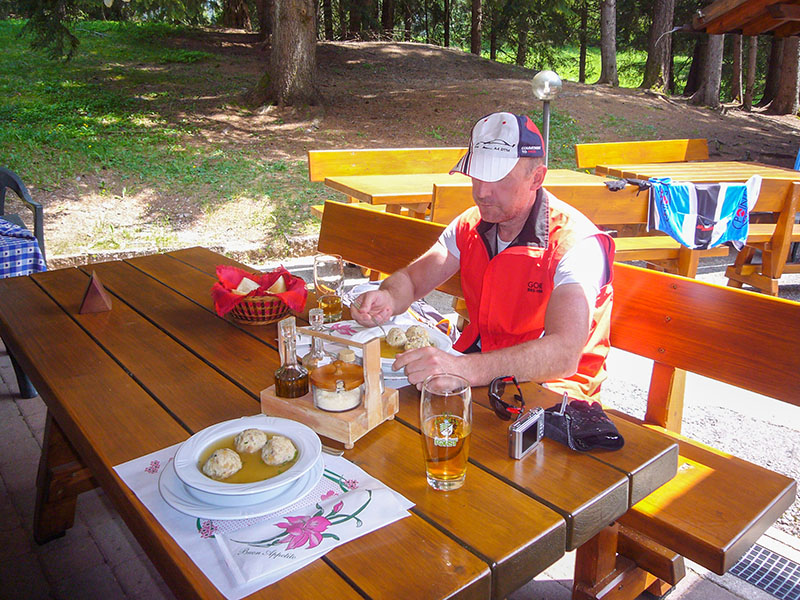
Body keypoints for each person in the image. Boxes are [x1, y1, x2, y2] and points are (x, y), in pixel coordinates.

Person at [351, 112, 615, 399]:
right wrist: (389, 297)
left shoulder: (576, 245)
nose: (481, 192)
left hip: (555, 392)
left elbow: (564, 354)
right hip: (483, 372)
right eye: (476, 174)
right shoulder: (471, 224)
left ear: (536, 177)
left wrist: (463, 369)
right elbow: (413, 281)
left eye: (499, 178)